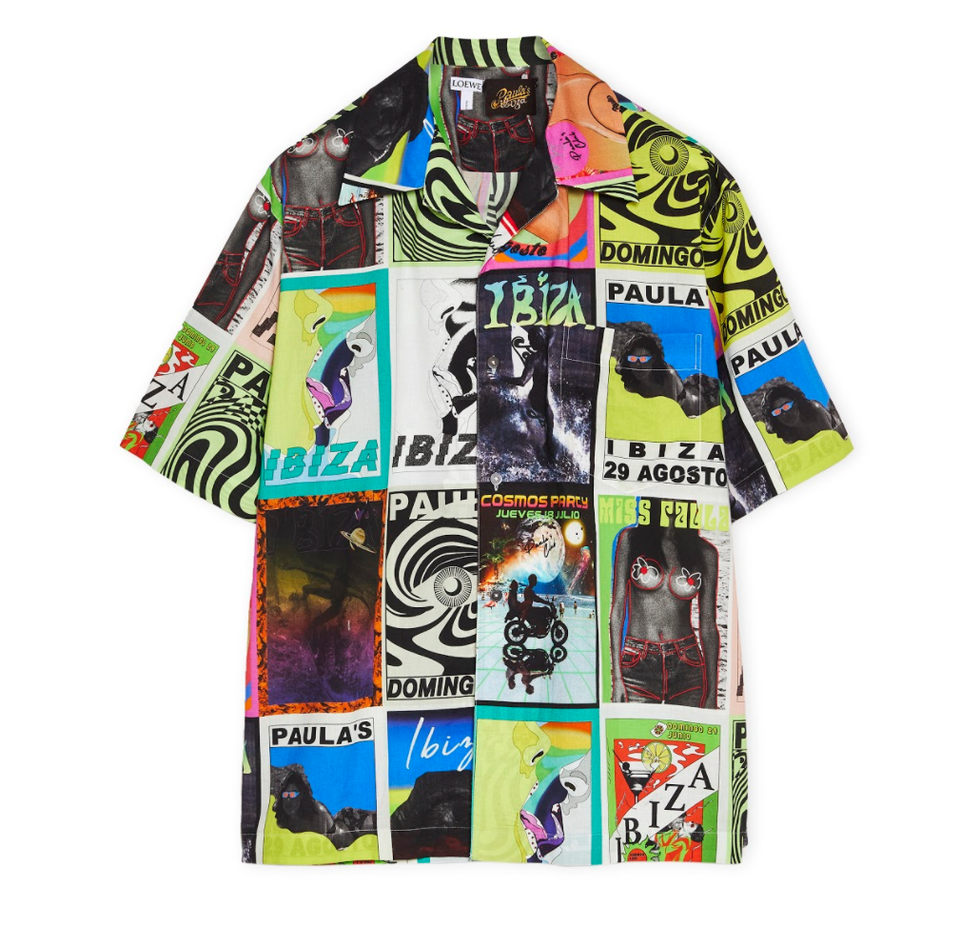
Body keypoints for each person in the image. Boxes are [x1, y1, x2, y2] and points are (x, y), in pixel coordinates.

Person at [609, 516, 720, 708]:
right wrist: (617, 678)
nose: (671, 504)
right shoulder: (631, 540)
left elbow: (708, 626)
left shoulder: (704, 552)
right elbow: (618, 610)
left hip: (687, 665)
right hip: (637, 666)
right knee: (636, 728)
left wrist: (712, 693)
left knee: (684, 728)